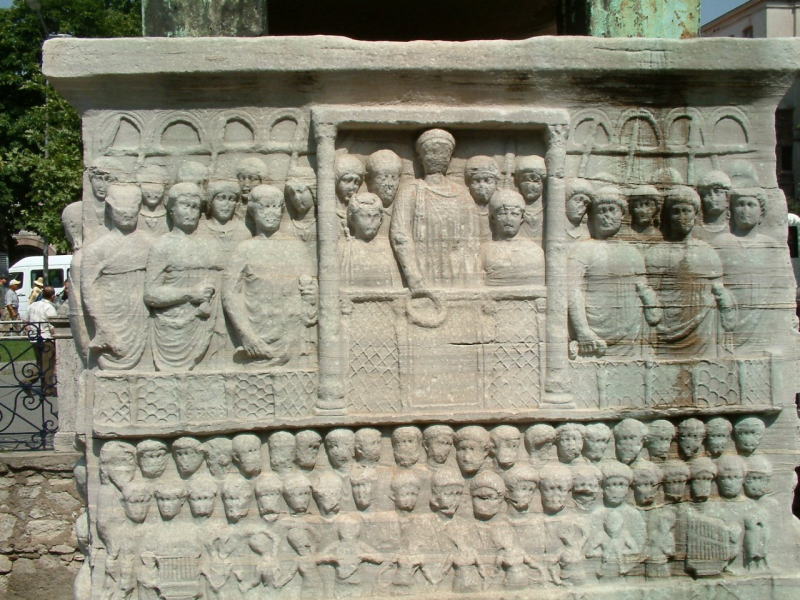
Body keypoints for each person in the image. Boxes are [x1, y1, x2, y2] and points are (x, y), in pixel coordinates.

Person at [391, 129, 482, 290]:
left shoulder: (462, 194)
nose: (437, 157)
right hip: (423, 270)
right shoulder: (410, 191)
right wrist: (413, 276)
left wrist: (471, 278)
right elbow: (400, 235)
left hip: (459, 274)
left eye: (442, 152)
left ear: (450, 158)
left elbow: (472, 240)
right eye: (432, 152)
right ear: (420, 158)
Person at [27, 286, 58, 394]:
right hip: (46, 338)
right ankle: (45, 386)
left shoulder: (33, 305)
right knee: (48, 364)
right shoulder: (49, 307)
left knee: (40, 362)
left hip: (34, 338)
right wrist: (56, 339)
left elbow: (26, 320)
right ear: (53, 296)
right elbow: (52, 325)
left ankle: (44, 386)